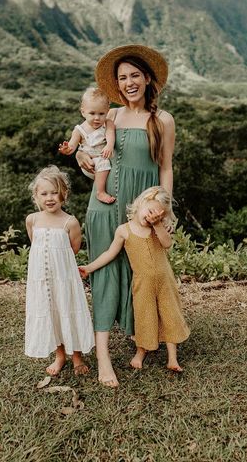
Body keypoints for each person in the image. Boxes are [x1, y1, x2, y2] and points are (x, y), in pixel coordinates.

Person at [76, 44, 175, 387]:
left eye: (135, 75)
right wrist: (81, 160)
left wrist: (164, 211)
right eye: (122, 78)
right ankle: (103, 356)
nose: (129, 82)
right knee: (104, 272)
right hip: (104, 206)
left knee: (142, 271)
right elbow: (87, 151)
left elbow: (165, 168)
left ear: (148, 79)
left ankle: (143, 337)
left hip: (142, 210)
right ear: (116, 85)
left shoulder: (161, 120)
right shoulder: (110, 116)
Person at [79, 186, 189, 372]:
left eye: (158, 215)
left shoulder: (158, 228)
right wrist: (89, 268)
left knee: (170, 315)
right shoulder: (124, 230)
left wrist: (157, 225)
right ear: (140, 204)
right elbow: (110, 253)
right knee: (144, 317)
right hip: (142, 284)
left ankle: (172, 358)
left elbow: (167, 244)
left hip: (165, 282)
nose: (152, 217)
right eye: (150, 212)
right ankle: (140, 352)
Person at [24, 165, 94, 376]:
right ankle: (60, 355)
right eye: (44, 193)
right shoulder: (32, 220)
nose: (50, 198)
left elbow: (73, 248)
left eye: (54, 192)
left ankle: (77, 357)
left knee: (68, 311)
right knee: (50, 313)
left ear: (64, 194)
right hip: (42, 280)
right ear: (36, 196)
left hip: (64, 278)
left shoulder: (69, 222)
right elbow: (34, 242)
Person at [58, 87, 116, 204]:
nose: (97, 118)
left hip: (102, 158)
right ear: (83, 112)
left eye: (101, 113)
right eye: (92, 113)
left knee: (104, 164)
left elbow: (110, 134)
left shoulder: (108, 123)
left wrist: (109, 145)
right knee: (103, 162)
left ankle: (104, 187)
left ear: (107, 111)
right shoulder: (79, 130)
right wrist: (67, 149)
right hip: (90, 163)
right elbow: (72, 146)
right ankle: (100, 192)